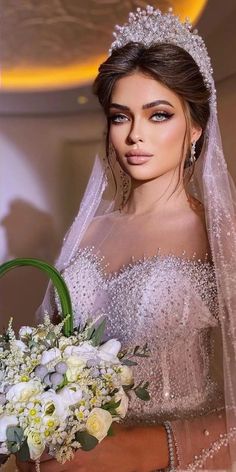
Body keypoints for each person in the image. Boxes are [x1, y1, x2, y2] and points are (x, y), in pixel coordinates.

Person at [17, 5, 236, 471]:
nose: (135, 135)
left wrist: (145, 451)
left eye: (158, 115)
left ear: (195, 127)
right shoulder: (89, 231)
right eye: (121, 117)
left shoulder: (216, 235)